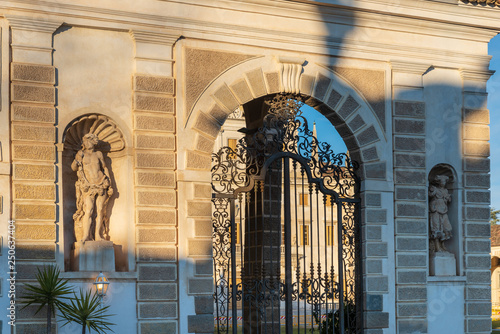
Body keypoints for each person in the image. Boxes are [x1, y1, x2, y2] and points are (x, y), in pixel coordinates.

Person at [71, 133, 113, 242]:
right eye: (86, 141)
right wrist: (76, 161)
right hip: (88, 185)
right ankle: (86, 236)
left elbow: (104, 168)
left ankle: (98, 236)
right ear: (84, 143)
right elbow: (73, 167)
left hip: (101, 183)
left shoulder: (98, 154)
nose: (88, 143)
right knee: (88, 210)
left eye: (90, 140)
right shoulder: (81, 153)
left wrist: (109, 183)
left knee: (100, 211)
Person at [429, 175, 452, 252]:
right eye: (442, 181)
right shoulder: (434, 189)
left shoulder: (445, 191)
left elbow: (449, 200)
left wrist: (448, 198)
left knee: (446, 227)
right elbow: (429, 195)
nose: (443, 183)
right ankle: (437, 246)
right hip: (435, 210)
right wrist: (433, 192)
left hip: (444, 210)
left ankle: (442, 245)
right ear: (439, 182)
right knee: (436, 228)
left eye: (444, 182)